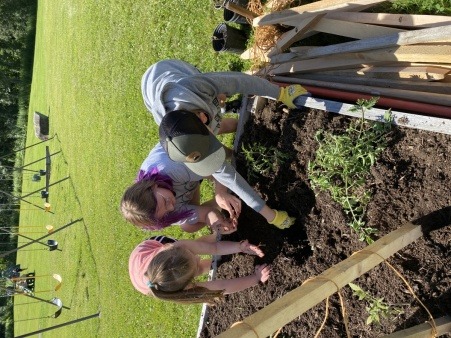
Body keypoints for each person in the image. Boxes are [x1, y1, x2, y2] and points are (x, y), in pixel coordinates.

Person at [128, 233, 270, 304]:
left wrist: (239, 247)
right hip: (141, 282)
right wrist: (255, 279)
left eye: (192, 254)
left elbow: (213, 247)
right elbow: (223, 286)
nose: (198, 257)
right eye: (196, 261)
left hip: (145, 250)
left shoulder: (175, 248)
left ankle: (215, 243)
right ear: (187, 286)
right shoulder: (180, 291)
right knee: (198, 267)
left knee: (196, 246)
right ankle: (214, 263)